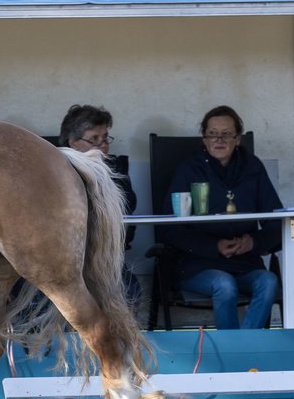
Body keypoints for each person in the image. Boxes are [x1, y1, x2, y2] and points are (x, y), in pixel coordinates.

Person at [161, 105, 282, 329]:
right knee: (224, 285)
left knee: (269, 281)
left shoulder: (253, 167)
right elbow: (169, 228)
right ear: (204, 139)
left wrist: (253, 242)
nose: (219, 140)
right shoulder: (188, 170)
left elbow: (276, 223)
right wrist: (214, 246)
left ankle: (243, 347)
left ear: (238, 139)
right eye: (213, 134)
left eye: (227, 134)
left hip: (245, 262)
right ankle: (233, 350)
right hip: (198, 264)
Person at [58, 104, 141, 303]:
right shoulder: (56, 173)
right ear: (73, 143)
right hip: (65, 257)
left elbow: (128, 206)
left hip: (107, 256)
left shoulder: (115, 169)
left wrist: (103, 176)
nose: (103, 145)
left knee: (130, 291)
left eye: (105, 138)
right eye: (94, 139)